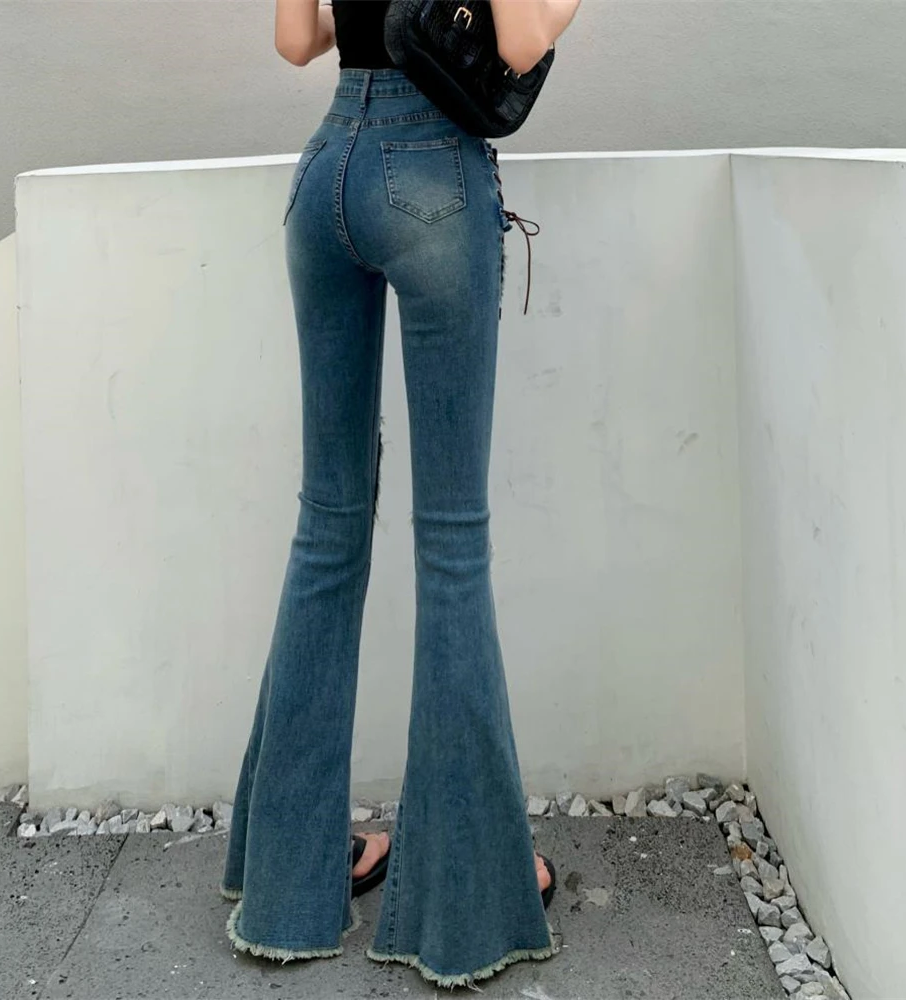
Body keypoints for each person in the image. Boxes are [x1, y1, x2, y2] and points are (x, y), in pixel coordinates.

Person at [220, 0, 581, 989]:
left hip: (327, 169)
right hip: (430, 179)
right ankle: (468, 886)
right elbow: (520, 43)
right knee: (451, 542)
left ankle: (287, 888)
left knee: (326, 525)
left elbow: (297, 42)